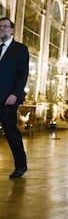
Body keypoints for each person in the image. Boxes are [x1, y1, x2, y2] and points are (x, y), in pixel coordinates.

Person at [0, 17, 29, 179]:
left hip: (8, 99)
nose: (2, 29)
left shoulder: (20, 49)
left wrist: (15, 94)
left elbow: (23, 74)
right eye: (0, 27)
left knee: (11, 133)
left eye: (5, 26)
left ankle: (21, 165)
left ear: (11, 30)